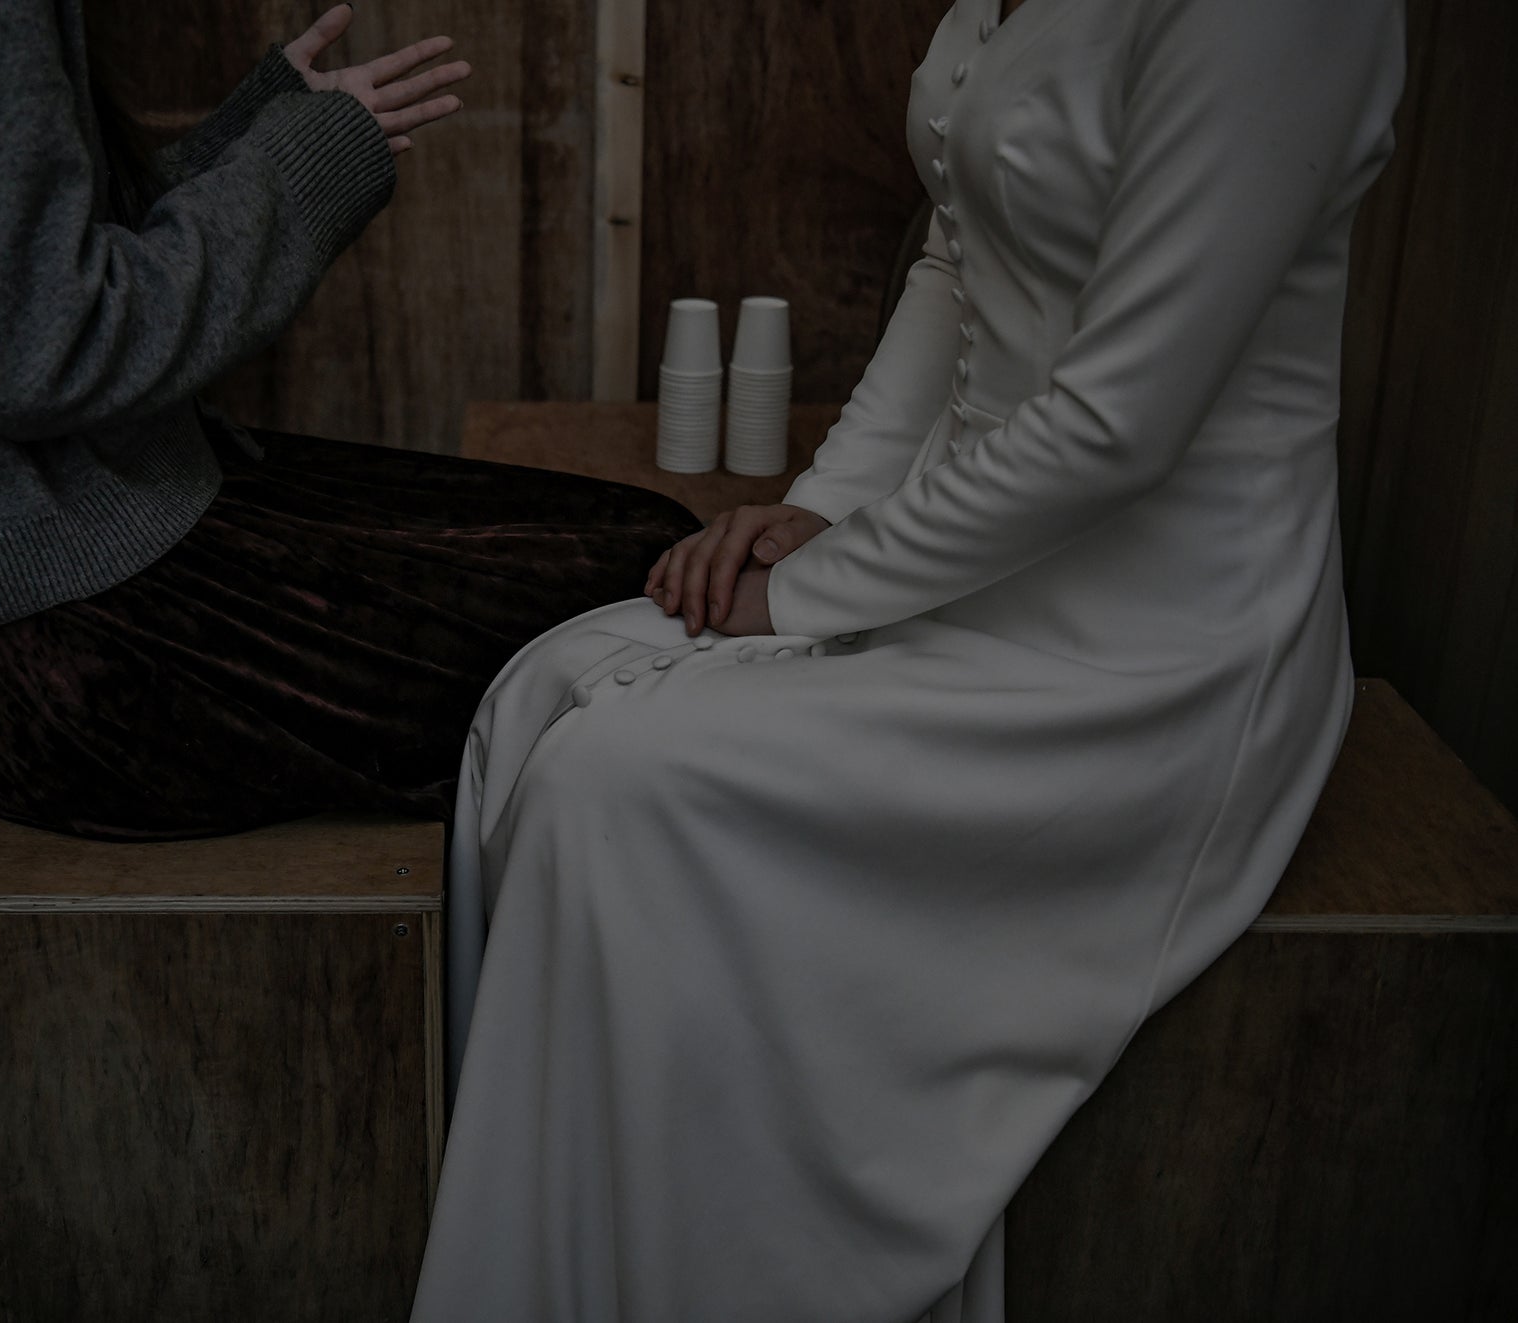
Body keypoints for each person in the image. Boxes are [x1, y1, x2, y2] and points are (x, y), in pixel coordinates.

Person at [411, 0, 1406, 1320]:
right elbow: (955, 254)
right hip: (946, 540)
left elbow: (1117, 425)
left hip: (1148, 638)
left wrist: (807, 591)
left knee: (616, 786)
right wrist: (824, 506)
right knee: (535, 690)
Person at [0, 0, 700, 840]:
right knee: (651, 601)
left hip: (55, 566)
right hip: (78, 637)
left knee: (639, 550)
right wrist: (294, 173)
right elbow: (50, 347)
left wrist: (248, 138)